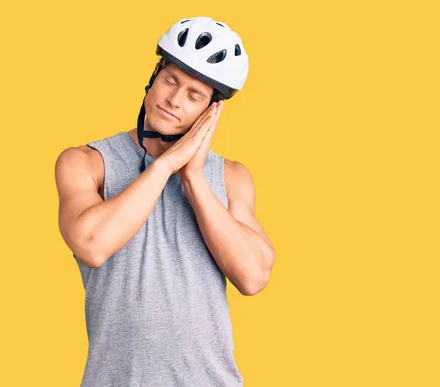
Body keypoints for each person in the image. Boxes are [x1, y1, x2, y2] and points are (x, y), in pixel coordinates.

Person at [54, 16, 275, 386]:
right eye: (171, 80)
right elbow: (91, 245)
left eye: (194, 95)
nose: (174, 99)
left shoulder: (232, 177)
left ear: (211, 111)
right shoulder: (86, 162)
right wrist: (168, 164)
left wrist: (192, 177)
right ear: (154, 75)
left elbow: (253, 277)